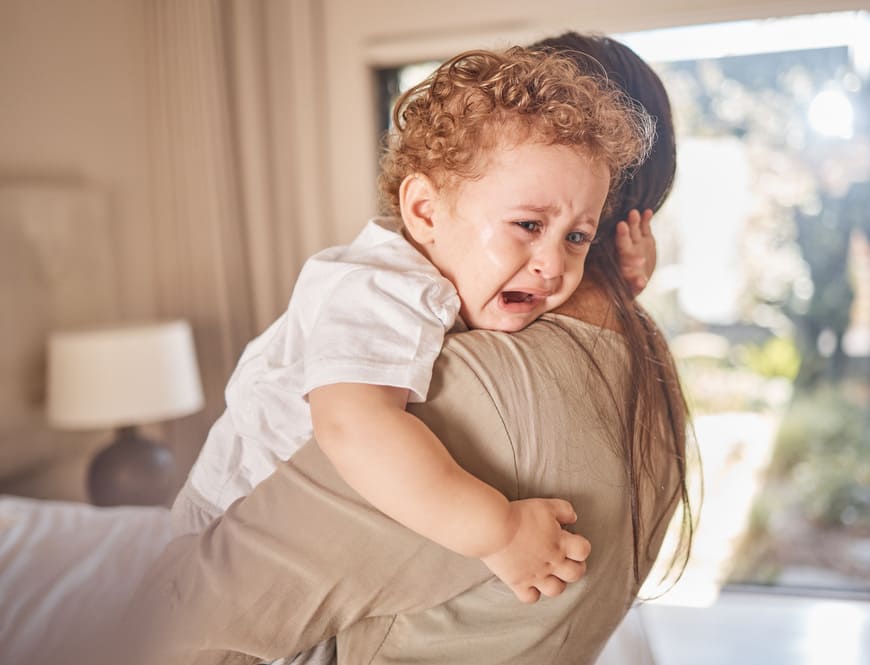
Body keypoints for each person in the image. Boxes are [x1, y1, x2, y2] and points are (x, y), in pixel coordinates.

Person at [117, 33, 694, 665]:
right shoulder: (376, 288)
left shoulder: (470, 280)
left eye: (579, 237)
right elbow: (354, 426)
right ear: (422, 210)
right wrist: (496, 529)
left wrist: (622, 281)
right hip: (230, 522)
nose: (554, 264)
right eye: (529, 225)